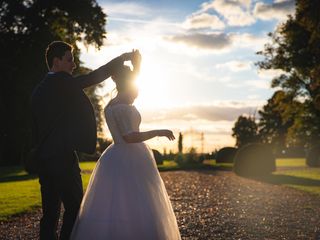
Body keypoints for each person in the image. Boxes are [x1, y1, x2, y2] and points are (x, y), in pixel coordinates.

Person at [70, 50, 181, 240]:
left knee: (116, 203)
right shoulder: (122, 105)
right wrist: (159, 132)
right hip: (131, 155)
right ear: (128, 83)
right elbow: (130, 137)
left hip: (114, 156)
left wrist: (137, 66)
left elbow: (133, 89)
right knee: (136, 202)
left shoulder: (114, 103)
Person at [31, 41, 135, 240]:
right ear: (56, 62)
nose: (73, 65)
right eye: (69, 60)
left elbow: (34, 130)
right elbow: (94, 76)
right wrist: (122, 59)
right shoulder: (63, 82)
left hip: (44, 161)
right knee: (75, 208)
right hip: (63, 160)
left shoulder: (37, 91)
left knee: (50, 214)